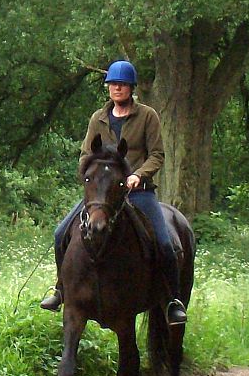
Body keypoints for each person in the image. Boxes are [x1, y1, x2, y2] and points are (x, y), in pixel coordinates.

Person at [39, 60, 187, 327]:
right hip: (102, 195)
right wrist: (92, 178)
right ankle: (61, 289)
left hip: (137, 192)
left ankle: (173, 301)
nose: (116, 88)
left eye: (121, 84)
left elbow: (157, 154)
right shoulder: (98, 118)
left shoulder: (147, 116)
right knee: (61, 232)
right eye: (112, 85)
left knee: (165, 244)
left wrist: (137, 175)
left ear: (131, 88)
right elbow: (86, 155)